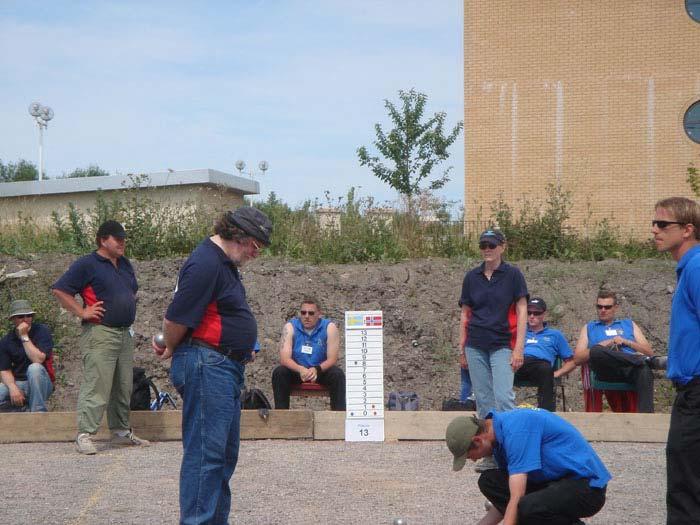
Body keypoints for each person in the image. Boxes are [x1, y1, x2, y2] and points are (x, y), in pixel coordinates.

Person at [154, 206, 272, 525]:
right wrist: (170, 342)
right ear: (238, 234)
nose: (256, 253)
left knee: (221, 458)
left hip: (221, 367)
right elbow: (176, 318)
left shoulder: (222, 264)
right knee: (206, 457)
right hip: (208, 367)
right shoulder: (206, 262)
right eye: (255, 245)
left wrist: (242, 344)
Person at [52, 220, 148, 454]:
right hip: (100, 333)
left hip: (124, 333)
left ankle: (121, 432)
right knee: (97, 384)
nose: (122, 242)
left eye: (124, 238)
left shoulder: (124, 264)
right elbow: (60, 289)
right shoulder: (87, 264)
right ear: (103, 240)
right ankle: (85, 434)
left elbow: (130, 291)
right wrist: (82, 311)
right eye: (117, 239)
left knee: (123, 385)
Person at [445, 410, 610, 525]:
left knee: (527, 507)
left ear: (478, 440)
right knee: (489, 481)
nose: (473, 460)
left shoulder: (516, 431)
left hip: (586, 487)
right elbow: (506, 501)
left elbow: (516, 497)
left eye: (469, 455)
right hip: (556, 482)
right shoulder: (498, 438)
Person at [458, 229, 528, 471]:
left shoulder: (513, 275)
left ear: (502, 246)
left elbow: (522, 311)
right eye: (483, 245)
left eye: (491, 244)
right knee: (484, 402)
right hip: (475, 343)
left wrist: (519, 348)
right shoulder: (471, 277)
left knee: (504, 398)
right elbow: (465, 314)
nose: (487, 249)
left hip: (502, 343)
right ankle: (489, 454)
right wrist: (462, 348)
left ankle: (515, 453)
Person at [652, 196, 700, 524]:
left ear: (687, 229)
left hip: (697, 391)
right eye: (654, 224)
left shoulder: (696, 268)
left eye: (662, 224)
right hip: (691, 389)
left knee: (684, 483)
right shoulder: (688, 269)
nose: (654, 230)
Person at [573, 290, 654, 413]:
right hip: (606, 369)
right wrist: (608, 343)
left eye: (607, 307)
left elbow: (649, 352)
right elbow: (577, 359)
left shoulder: (628, 324)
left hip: (629, 368)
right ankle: (639, 360)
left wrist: (626, 342)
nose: (603, 310)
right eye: (599, 307)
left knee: (644, 370)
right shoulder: (589, 327)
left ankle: (647, 416)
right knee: (596, 350)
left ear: (616, 307)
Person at [272, 298, 346, 410]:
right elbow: (284, 358)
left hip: (319, 370)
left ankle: (339, 417)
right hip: (297, 370)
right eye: (303, 313)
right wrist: (300, 369)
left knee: (337, 374)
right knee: (279, 372)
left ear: (319, 314)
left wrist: (317, 369)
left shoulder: (329, 328)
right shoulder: (290, 327)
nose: (306, 316)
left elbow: (332, 359)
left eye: (311, 313)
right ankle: (282, 415)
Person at [514, 297, 576, 411]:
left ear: (544, 314)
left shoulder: (555, 335)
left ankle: (546, 412)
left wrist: (557, 373)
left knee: (545, 368)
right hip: (518, 365)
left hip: (541, 368)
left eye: (536, 313)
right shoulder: (518, 331)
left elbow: (571, 362)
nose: (532, 316)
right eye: (529, 312)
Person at [0, 300, 55, 412]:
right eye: (20, 316)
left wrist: (24, 336)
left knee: (34, 368)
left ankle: (38, 412)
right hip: (19, 382)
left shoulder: (42, 331)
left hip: (42, 382)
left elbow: (38, 359)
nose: (26, 319)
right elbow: (5, 370)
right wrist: (12, 388)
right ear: (13, 320)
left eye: (29, 316)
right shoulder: (6, 341)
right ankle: (22, 410)